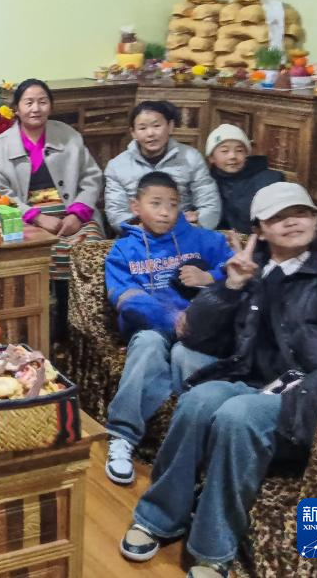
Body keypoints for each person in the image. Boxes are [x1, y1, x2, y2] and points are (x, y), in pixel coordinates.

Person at [120, 182, 317, 578]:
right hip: (258, 381)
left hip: (316, 394)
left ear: (315, 220)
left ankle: (212, 552)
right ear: (260, 228)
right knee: (198, 400)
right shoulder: (251, 270)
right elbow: (196, 336)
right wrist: (230, 286)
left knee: (238, 415)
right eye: (278, 216)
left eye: (301, 212)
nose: (291, 221)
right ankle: (158, 518)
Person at [102, 172, 232, 485]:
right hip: (153, 328)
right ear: (136, 206)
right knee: (147, 345)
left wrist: (210, 277)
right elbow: (128, 300)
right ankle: (122, 437)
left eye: (173, 204)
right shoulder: (123, 251)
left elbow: (236, 269)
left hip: (201, 330)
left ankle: (194, 449)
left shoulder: (203, 239)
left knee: (187, 359)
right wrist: (173, 320)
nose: (165, 212)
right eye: (156, 203)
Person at [0, 78, 104, 342]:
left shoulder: (69, 136)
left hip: (74, 215)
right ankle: (48, 328)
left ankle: (84, 329)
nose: (35, 108)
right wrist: (37, 217)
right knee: (35, 252)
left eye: (42, 101)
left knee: (89, 248)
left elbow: (92, 177)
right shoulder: (2, 145)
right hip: (28, 218)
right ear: (16, 108)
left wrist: (77, 214)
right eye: (28, 102)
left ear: (51, 106)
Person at [104, 101, 221, 232]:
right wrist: (141, 230)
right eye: (142, 128)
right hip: (139, 235)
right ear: (133, 132)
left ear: (170, 126)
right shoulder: (117, 166)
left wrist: (196, 226)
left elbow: (209, 204)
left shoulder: (191, 157)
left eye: (156, 126)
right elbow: (116, 213)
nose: (150, 133)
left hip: (185, 231)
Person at [205, 124, 283, 234]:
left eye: (239, 150)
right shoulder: (205, 182)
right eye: (225, 151)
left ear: (247, 154)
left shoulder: (269, 180)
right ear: (211, 158)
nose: (232, 156)